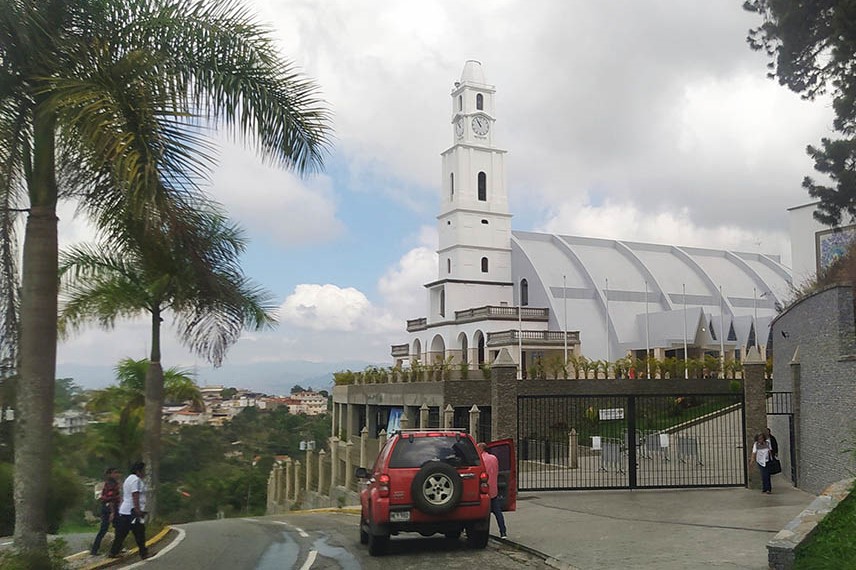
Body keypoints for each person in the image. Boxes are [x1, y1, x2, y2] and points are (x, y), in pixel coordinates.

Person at [109, 462, 148, 559]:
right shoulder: (136, 480)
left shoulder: (129, 479)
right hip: (133, 511)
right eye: (143, 470)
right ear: (138, 471)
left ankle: (113, 552)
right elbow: (135, 495)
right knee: (140, 533)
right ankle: (144, 554)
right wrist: (138, 510)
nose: (145, 472)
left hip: (125, 511)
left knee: (121, 533)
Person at [478, 442, 507, 538]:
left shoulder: (480, 459)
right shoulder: (494, 458)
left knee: (482, 513)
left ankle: (482, 532)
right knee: (498, 512)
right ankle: (503, 532)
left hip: (483, 490)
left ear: (481, 449)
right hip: (494, 489)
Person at [90, 467, 121, 555]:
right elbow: (110, 499)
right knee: (114, 528)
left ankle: (95, 550)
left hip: (110, 508)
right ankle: (96, 550)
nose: (117, 474)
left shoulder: (112, 483)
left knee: (116, 528)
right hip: (110, 509)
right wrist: (112, 512)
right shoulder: (111, 484)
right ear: (110, 474)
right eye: (115, 473)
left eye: (117, 472)